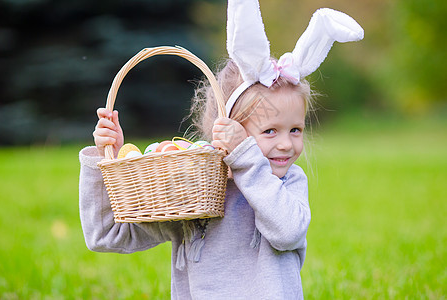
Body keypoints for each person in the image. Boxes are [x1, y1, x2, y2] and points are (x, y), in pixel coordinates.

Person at [79, 1, 363, 299]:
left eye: (295, 130)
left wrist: (246, 160)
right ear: (225, 131)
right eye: (270, 131)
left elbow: (287, 232)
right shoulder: (194, 190)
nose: (286, 143)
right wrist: (104, 160)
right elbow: (105, 235)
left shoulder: (287, 183)